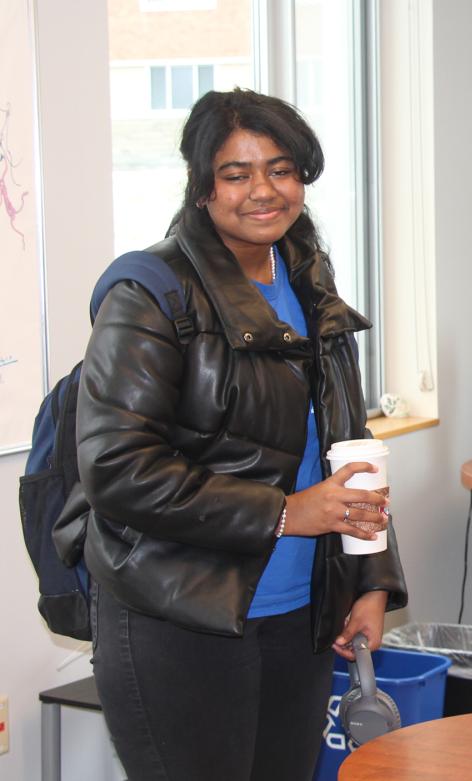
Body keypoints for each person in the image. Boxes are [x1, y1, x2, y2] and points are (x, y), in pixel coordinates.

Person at [58, 88, 407, 780]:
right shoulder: (151, 294)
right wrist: (284, 511)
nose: (263, 191)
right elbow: (117, 467)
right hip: (175, 611)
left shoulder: (310, 281)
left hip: (299, 609)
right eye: (236, 172)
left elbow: (348, 441)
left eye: (280, 169)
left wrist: (369, 577)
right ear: (202, 186)